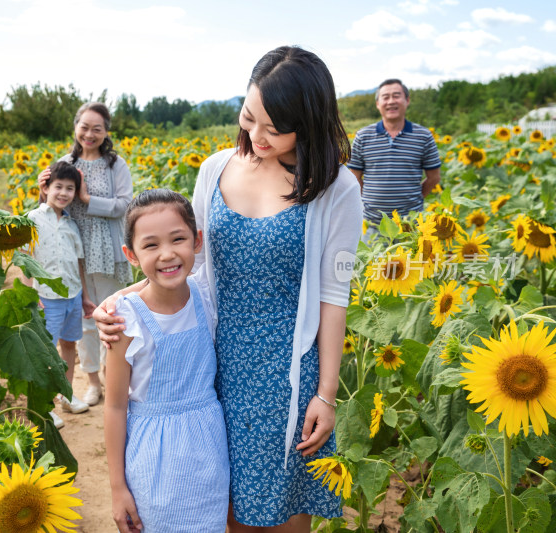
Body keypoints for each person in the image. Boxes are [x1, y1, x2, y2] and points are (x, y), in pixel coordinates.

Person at [96, 46, 362, 532]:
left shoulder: (335, 187)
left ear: (309, 122)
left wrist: (325, 394)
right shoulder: (216, 168)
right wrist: (124, 299)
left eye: (275, 128)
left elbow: (332, 295)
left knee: (281, 508)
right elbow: (188, 265)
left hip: (285, 372)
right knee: (220, 501)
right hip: (212, 362)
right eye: (249, 118)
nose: (258, 136)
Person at [104, 189, 229, 533]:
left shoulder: (206, 295)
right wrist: (117, 487)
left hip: (209, 447)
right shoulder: (124, 319)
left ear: (197, 240)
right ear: (131, 254)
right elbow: (115, 406)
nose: (168, 254)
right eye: (151, 245)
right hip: (154, 456)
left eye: (178, 239)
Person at [38, 102, 133, 407]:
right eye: (85, 127)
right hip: (75, 251)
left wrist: (87, 199)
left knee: (114, 317)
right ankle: (93, 382)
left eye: (97, 128)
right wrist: (41, 190)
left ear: (106, 132)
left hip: (108, 249)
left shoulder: (116, 165)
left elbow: (123, 205)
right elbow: (54, 201)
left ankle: (112, 375)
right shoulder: (64, 162)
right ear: (75, 126)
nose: (90, 134)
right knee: (86, 321)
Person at [27, 161, 96, 427]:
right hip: (46, 297)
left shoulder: (72, 225)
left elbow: (79, 264)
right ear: (46, 187)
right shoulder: (33, 219)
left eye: (70, 188)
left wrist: (85, 298)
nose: (64, 193)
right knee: (47, 352)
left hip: (72, 295)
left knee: (69, 345)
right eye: (59, 187)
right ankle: (45, 407)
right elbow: (25, 259)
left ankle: (66, 395)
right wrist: (29, 295)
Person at [348, 78, 441, 240]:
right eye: (385, 97)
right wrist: (371, 200)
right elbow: (354, 177)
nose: (391, 101)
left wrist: (415, 199)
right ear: (378, 104)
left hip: (411, 226)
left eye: (396, 95)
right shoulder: (363, 136)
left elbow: (434, 178)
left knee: (413, 265)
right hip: (373, 226)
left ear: (407, 100)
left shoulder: (424, 136)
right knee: (372, 265)